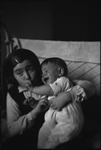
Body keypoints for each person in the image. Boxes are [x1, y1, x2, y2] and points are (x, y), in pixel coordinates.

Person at [2, 49, 94, 149]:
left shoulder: (49, 81)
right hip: (31, 139)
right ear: (13, 76)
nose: (27, 76)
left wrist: (69, 94)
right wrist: (34, 112)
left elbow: (89, 87)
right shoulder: (13, 94)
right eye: (19, 73)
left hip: (60, 133)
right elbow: (11, 130)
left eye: (30, 69)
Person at [28, 57, 88, 149]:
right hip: (52, 122)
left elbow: (51, 90)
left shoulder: (63, 81)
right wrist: (34, 103)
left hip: (69, 122)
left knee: (53, 141)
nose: (42, 75)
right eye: (41, 73)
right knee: (42, 136)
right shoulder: (47, 90)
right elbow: (44, 105)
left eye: (46, 71)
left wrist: (33, 89)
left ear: (60, 72)